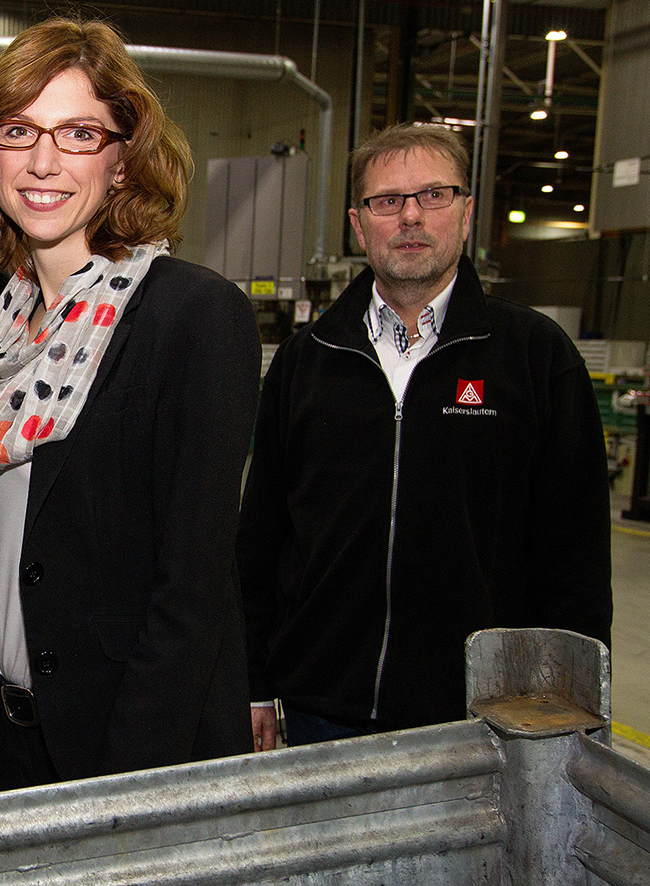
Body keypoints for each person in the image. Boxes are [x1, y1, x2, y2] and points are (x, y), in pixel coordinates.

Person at [0, 17, 260, 793]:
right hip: (11, 738)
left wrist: (121, 789)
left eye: (79, 133)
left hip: (131, 750)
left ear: (122, 161)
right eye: (18, 130)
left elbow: (190, 590)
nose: (42, 160)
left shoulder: (191, 317)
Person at [239, 123, 612, 751]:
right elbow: (261, 537)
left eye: (434, 195)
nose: (410, 216)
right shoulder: (308, 360)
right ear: (359, 226)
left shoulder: (536, 359)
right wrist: (253, 682)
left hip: (482, 716)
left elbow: (575, 559)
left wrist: (572, 707)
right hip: (319, 708)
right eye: (387, 201)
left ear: (465, 213)